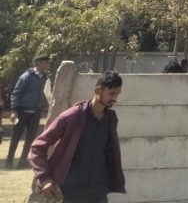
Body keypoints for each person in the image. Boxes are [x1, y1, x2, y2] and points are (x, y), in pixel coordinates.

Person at [28, 70, 126, 203]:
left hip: (99, 193)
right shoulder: (73, 116)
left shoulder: (110, 120)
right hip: (71, 193)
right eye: (112, 93)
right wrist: (44, 178)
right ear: (98, 90)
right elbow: (37, 148)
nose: (115, 98)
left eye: (117, 94)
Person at [6, 53, 50, 169]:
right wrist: (14, 110)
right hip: (22, 111)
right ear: (38, 63)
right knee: (16, 136)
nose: (47, 65)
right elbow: (15, 94)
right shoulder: (26, 76)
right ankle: (9, 160)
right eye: (45, 62)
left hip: (35, 112)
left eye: (47, 62)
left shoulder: (45, 77)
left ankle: (22, 161)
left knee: (31, 137)